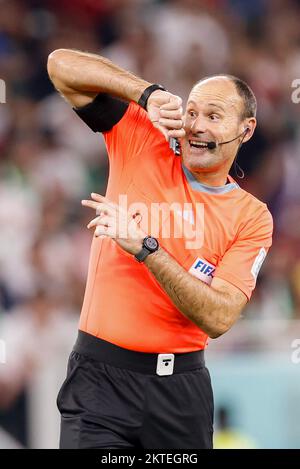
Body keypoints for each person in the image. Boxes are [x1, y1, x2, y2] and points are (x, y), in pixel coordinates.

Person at [47, 49, 273, 449]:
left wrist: (146, 249)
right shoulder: (142, 135)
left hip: (181, 395)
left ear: (247, 129)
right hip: (101, 381)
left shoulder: (252, 217)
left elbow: (218, 318)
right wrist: (146, 93)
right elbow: (60, 66)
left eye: (214, 116)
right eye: (193, 112)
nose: (196, 126)